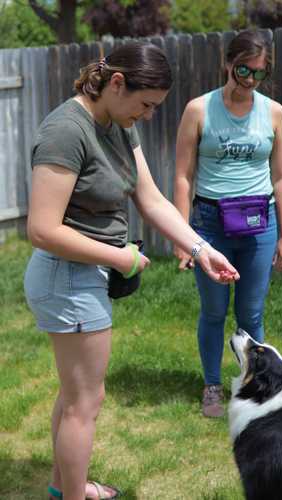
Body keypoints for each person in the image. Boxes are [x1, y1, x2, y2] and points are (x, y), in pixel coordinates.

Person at [24, 42, 239, 500]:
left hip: (83, 275)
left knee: (74, 396)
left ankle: (67, 488)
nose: (147, 116)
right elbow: (41, 229)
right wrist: (119, 257)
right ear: (116, 83)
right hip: (67, 276)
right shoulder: (66, 131)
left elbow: (152, 198)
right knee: (86, 402)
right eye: (145, 105)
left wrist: (200, 248)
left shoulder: (117, 124)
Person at [174, 30, 282, 419]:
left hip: (261, 222)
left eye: (259, 73)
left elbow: (281, 177)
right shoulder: (198, 110)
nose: (249, 79)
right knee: (213, 310)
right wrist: (182, 236)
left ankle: (256, 388)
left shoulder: (274, 112)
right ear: (228, 63)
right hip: (210, 224)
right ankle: (212, 385)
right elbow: (182, 176)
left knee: (252, 314)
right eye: (243, 69)